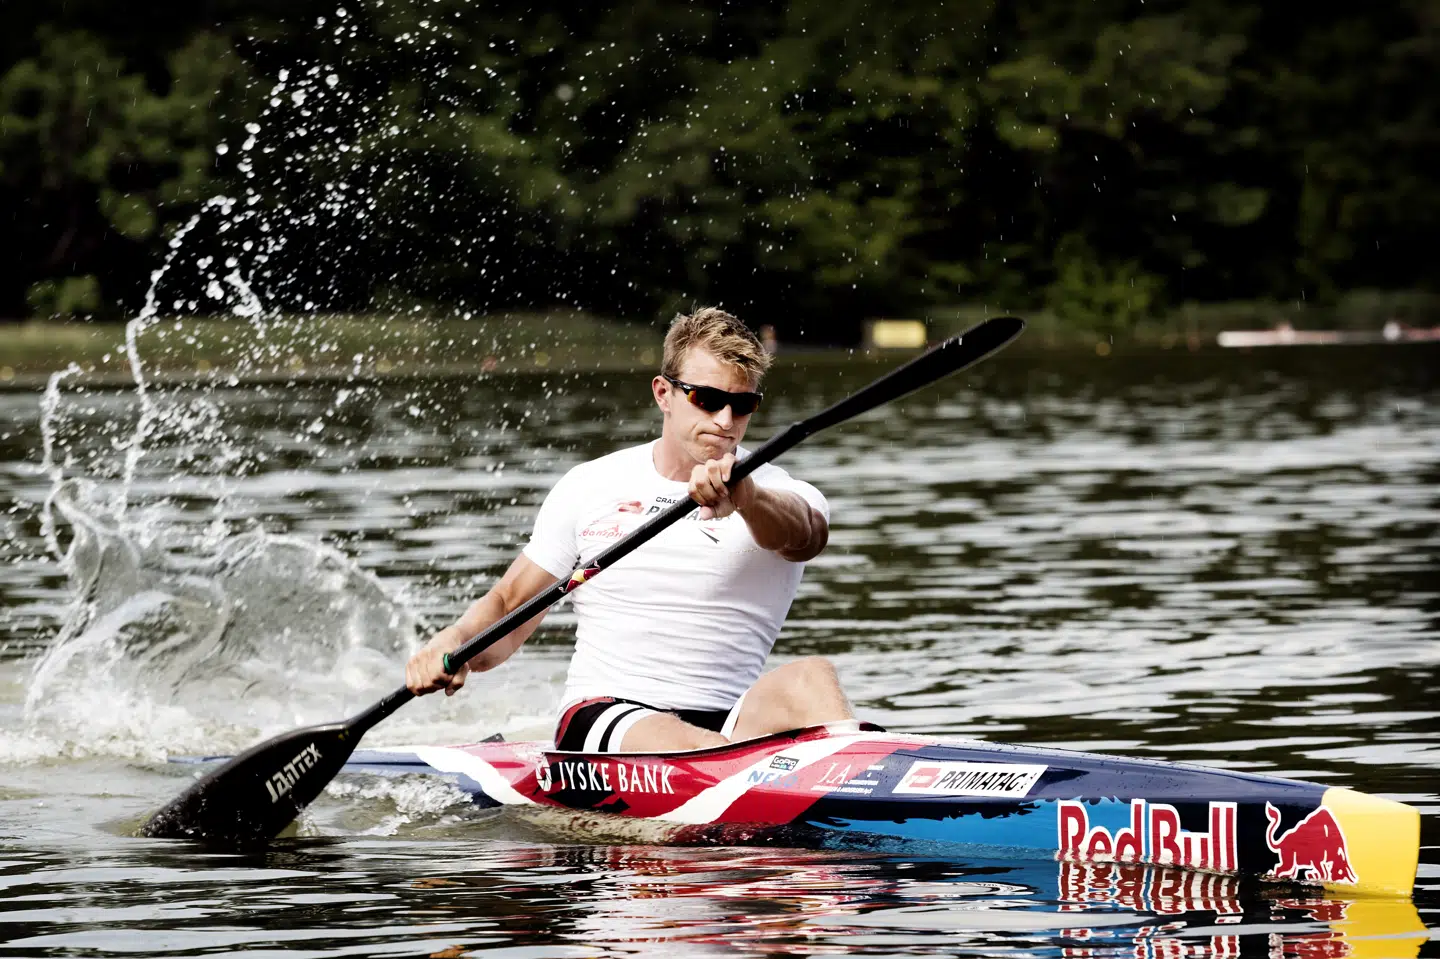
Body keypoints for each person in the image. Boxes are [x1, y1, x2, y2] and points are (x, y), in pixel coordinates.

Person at [405, 307, 855, 752]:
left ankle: (860, 774)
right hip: (605, 714)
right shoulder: (591, 484)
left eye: (742, 405)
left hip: (728, 723)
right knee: (678, 738)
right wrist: (456, 641)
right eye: (707, 399)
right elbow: (511, 603)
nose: (725, 421)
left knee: (810, 677)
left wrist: (747, 497)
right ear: (663, 393)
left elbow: (805, 538)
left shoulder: (779, 490)